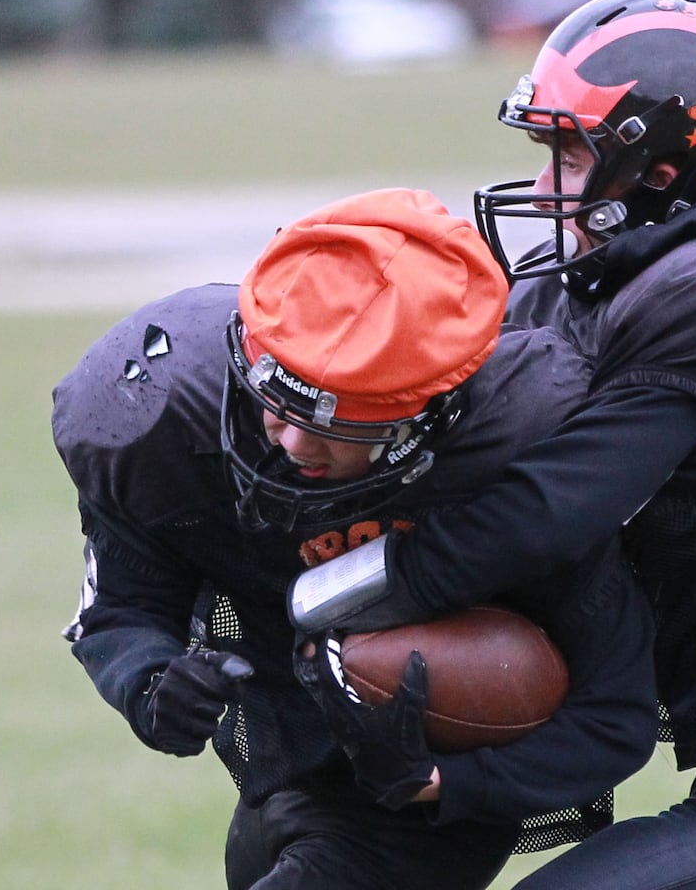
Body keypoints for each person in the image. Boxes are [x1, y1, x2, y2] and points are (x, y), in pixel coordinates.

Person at [291, 0, 696, 889]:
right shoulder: (595, 289)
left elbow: (549, 509)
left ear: (662, 168)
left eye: (567, 151)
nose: (547, 182)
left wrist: (323, 597)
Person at [52, 187, 660, 890]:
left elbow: (613, 718)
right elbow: (122, 609)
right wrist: (153, 683)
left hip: (418, 820)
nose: (290, 444)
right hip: (285, 763)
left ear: (430, 420)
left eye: (340, 430)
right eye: (274, 405)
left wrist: (436, 780)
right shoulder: (161, 404)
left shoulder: (519, 455)